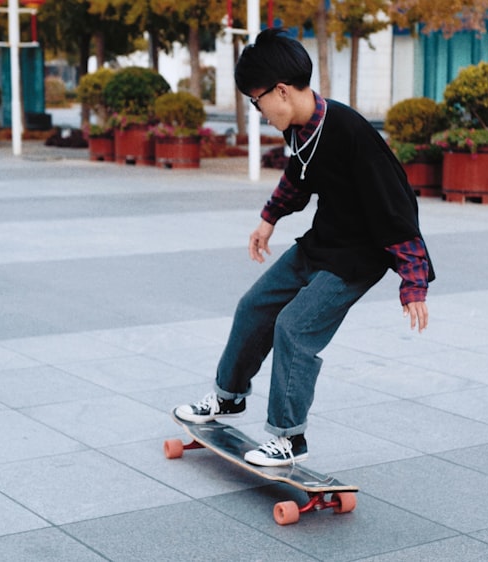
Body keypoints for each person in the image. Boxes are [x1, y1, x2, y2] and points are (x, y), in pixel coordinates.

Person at [175, 28, 434, 467]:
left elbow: (395, 205)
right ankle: (228, 397)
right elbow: (297, 181)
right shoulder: (299, 129)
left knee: (294, 328)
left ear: (280, 91)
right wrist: (267, 219)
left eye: (256, 102)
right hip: (321, 244)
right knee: (254, 306)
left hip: (356, 259)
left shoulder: (351, 132)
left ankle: (287, 438)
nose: (257, 112)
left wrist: (413, 280)